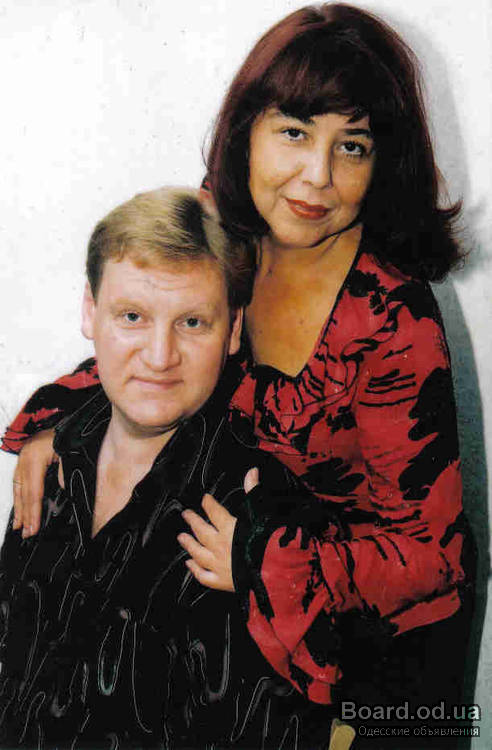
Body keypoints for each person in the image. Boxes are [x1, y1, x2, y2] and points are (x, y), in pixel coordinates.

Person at [3, 3, 473, 746]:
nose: (316, 176)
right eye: (295, 132)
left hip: (380, 659)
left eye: (352, 147)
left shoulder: (393, 320)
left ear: (383, 164)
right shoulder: (227, 229)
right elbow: (159, 338)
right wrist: (59, 423)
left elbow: (433, 558)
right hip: (247, 633)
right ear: (246, 130)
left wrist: (264, 560)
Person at [0, 187, 349, 749]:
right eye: (132, 316)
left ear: (233, 330)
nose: (160, 356)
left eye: (192, 322)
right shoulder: (51, 463)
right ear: (90, 311)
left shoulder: (257, 522)